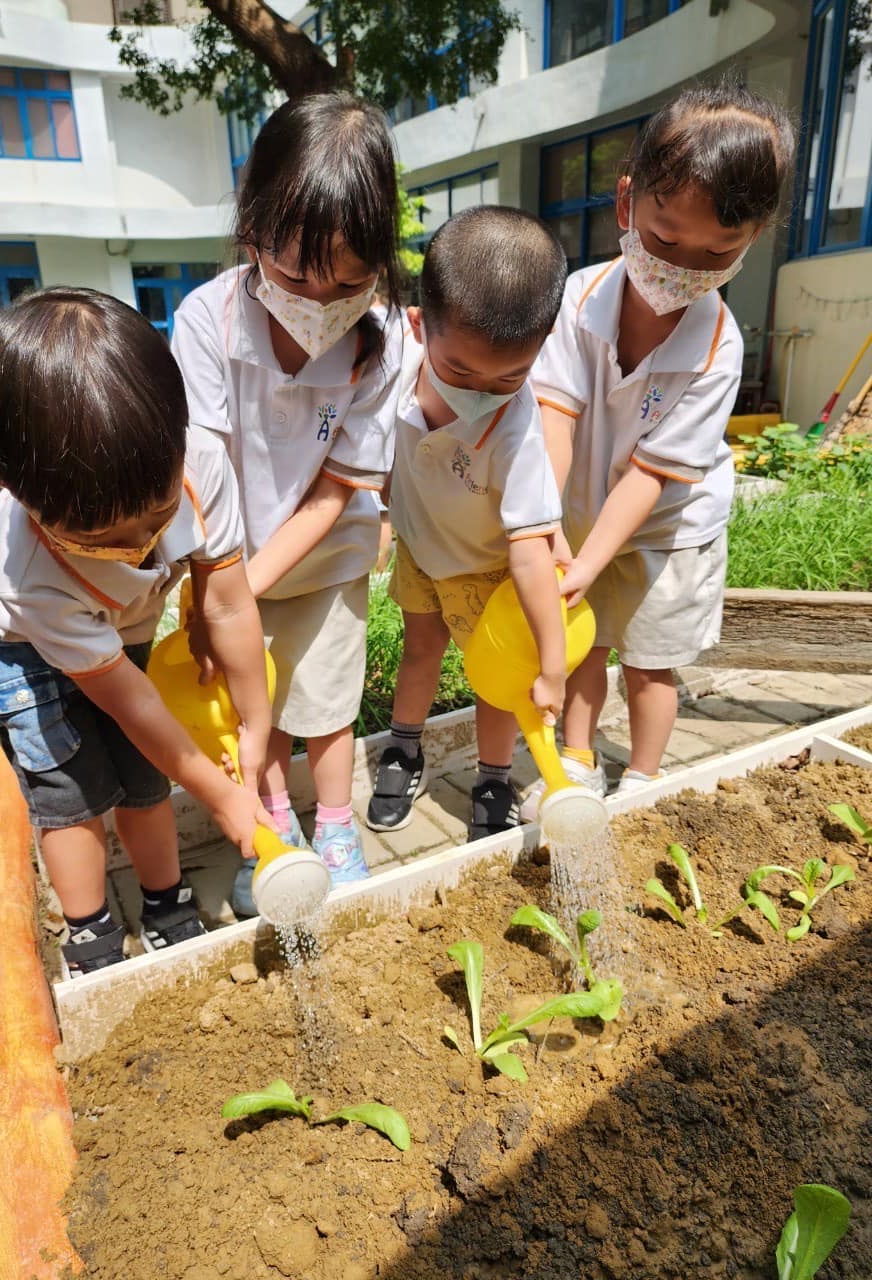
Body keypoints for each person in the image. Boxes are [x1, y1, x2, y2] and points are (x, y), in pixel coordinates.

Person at [0, 288, 272, 977]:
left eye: (155, 513)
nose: (141, 545)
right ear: (1, 482)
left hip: (111, 620)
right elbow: (132, 702)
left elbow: (231, 606)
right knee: (71, 785)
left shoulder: (200, 467)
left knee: (144, 773)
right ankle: (89, 923)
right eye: (100, 534)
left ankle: (163, 898)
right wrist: (223, 797)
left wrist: (256, 721)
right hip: (16, 639)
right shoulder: (26, 571)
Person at [528, 79, 795, 804]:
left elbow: (652, 476)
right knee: (586, 643)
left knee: (649, 662)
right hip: (582, 506)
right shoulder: (578, 302)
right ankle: (576, 760)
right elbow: (553, 415)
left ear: (752, 240)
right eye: (665, 238)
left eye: (717, 253)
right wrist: (546, 524)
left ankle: (644, 777)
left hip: (670, 531)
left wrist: (586, 560)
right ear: (626, 203)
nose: (682, 267)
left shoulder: (719, 348)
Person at [171, 93, 404, 912]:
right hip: (230, 558)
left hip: (325, 552)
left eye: (348, 281)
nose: (319, 301)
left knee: (329, 705)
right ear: (253, 228)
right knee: (253, 704)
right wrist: (219, 591)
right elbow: (201, 473)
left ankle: (335, 824)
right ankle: (274, 827)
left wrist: (244, 589)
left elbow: (339, 489)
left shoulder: (388, 337)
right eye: (296, 275)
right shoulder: (207, 320)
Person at [366, 206, 568, 840]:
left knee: (494, 679)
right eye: (460, 372)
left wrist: (553, 662)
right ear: (420, 326)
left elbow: (532, 552)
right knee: (420, 649)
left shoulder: (517, 425)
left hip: (488, 570)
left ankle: (494, 775)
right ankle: (403, 748)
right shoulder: (392, 354)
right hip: (423, 552)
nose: (482, 392)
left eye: (510, 376)